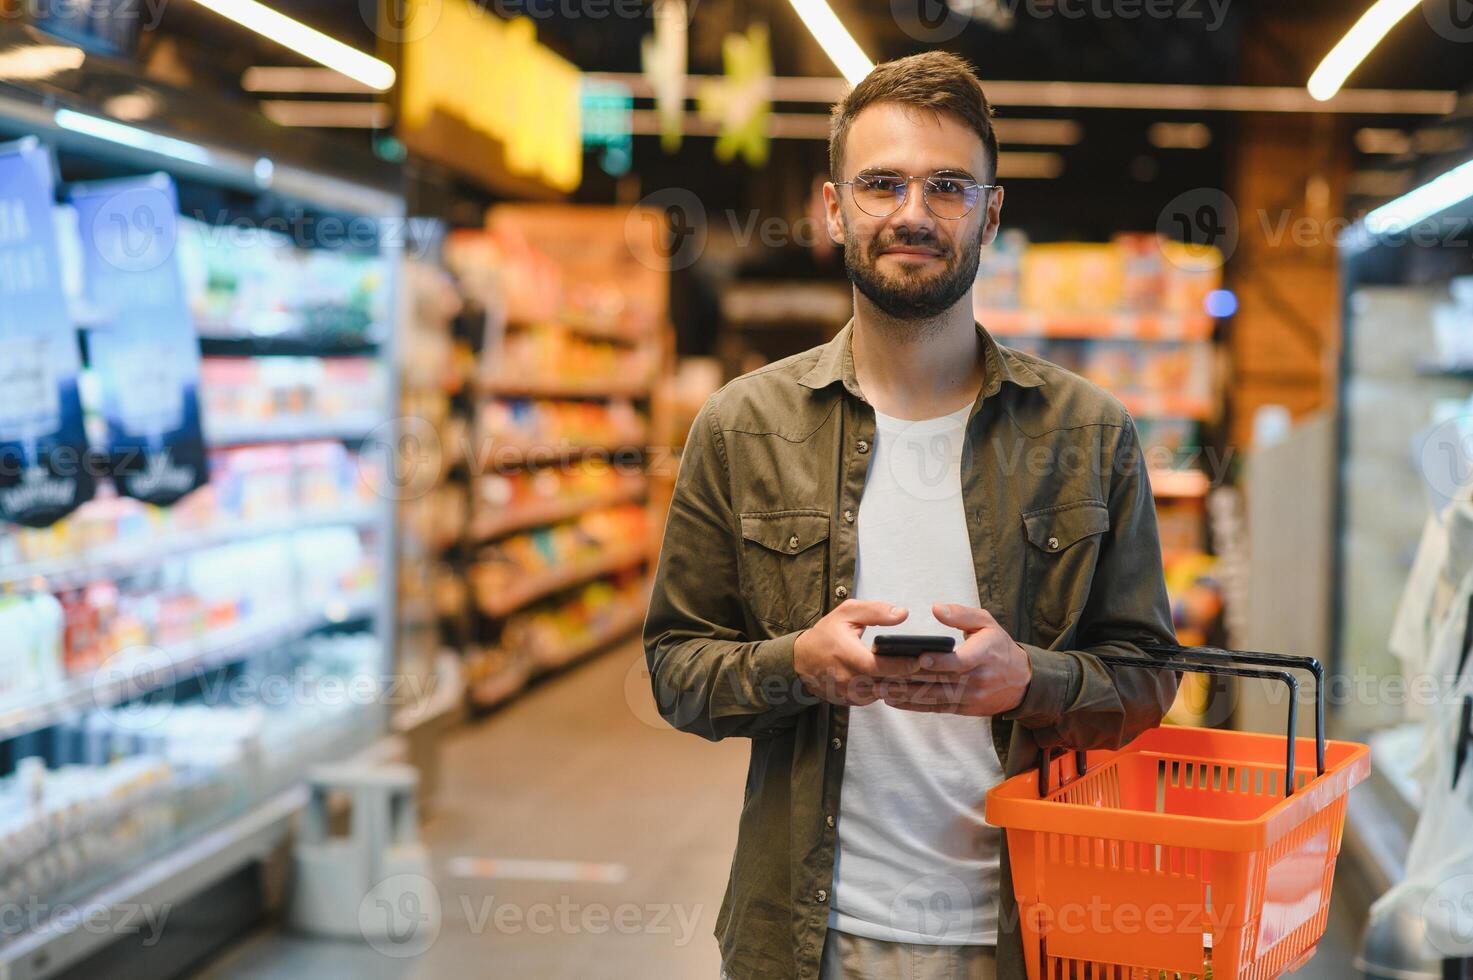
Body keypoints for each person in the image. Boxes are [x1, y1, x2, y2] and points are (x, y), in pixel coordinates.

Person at [643, 50, 1179, 980]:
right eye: (881, 183)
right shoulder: (743, 426)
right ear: (831, 207)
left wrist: (1029, 683)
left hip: (1028, 934)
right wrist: (796, 665)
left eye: (947, 187)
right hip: (806, 941)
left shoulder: (1088, 432)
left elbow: (1147, 676)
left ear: (990, 213)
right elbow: (676, 671)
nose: (912, 214)